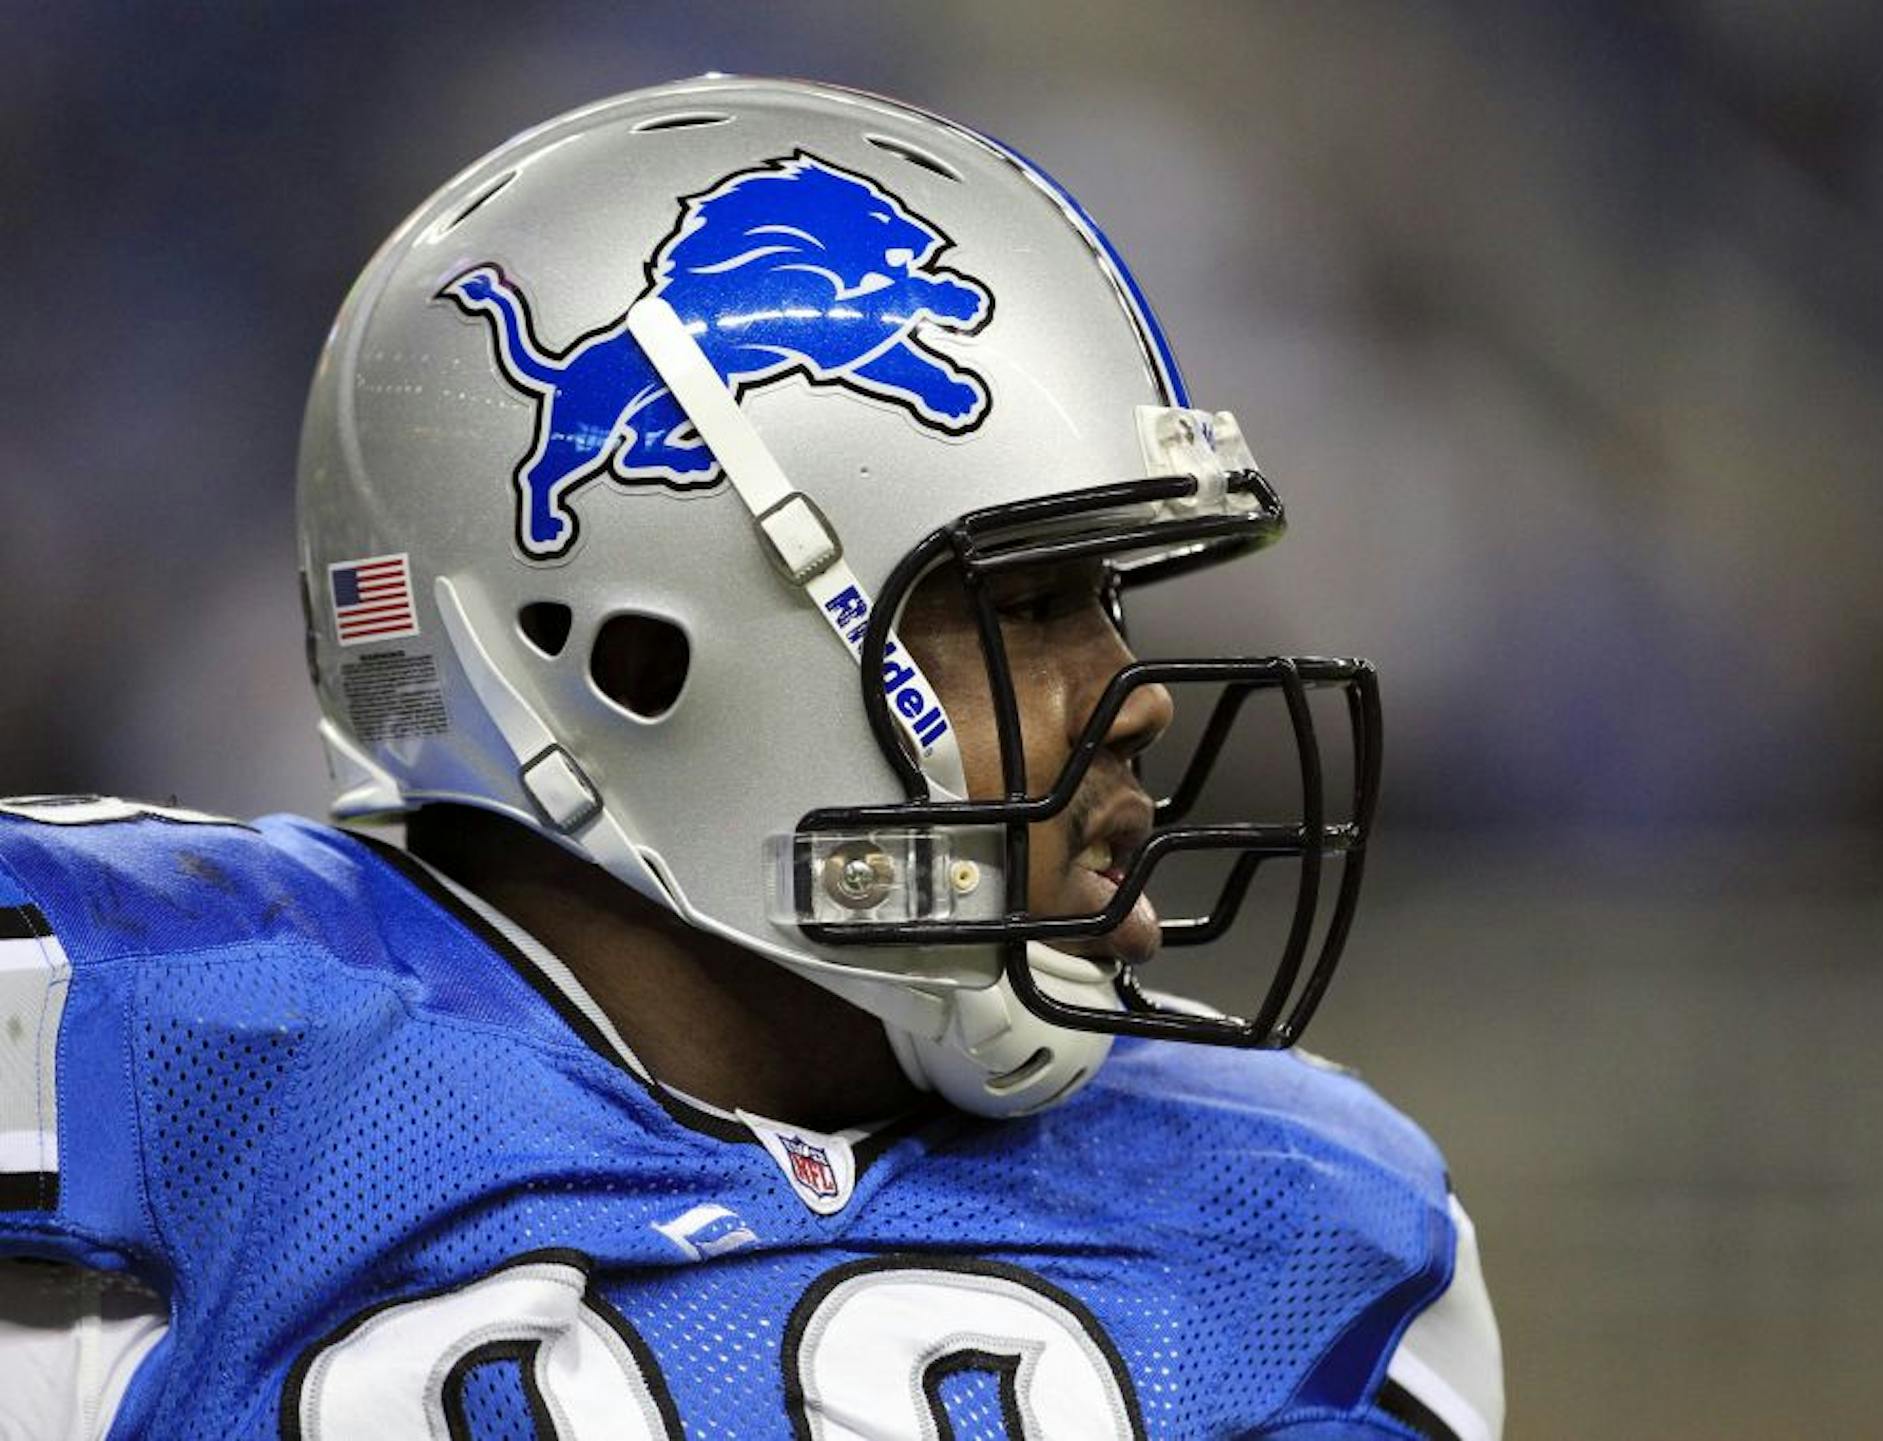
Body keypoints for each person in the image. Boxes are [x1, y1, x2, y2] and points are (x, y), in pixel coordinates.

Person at [0, 76, 1503, 1439]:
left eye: (1108, 603)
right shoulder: (145, 1051)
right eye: (1024, 604)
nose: (1132, 696)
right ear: (642, 660)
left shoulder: (1306, 1213)